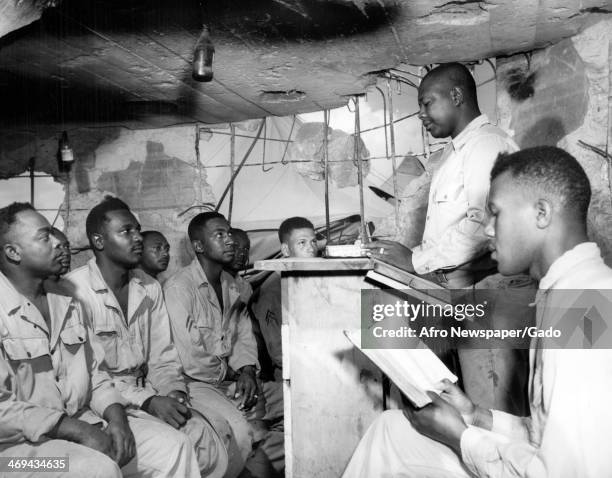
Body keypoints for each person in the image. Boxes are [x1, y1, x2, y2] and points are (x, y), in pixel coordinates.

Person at [342, 146, 612, 477]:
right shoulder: (569, 290)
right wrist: (474, 415)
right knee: (391, 429)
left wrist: (461, 438)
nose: (487, 229)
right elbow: (543, 438)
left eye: (496, 213)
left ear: (541, 214)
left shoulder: (586, 302)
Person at [366, 62, 529, 411]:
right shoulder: (458, 151)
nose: (422, 115)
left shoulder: (485, 145)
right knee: (481, 405)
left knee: (493, 410)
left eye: (428, 103)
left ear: (456, 95)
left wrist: (414, 259)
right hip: (471, 292)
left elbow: (482, 225)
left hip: (489, 293)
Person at [0, 203, 191, 478]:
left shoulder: (66, 299)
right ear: (13, 252)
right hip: (14, 455)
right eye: (45, 237)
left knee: (173, 446)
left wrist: (117, 419)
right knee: (95, 469)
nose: (58, 242)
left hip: (81, 424)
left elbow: (96, 374)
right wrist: (75, 430)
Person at [66, 196, 226, 478]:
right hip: (101, 405)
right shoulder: (74, 292)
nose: (138, 237)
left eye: (137, 229)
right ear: (99, 241)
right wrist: (148, 402)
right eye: (126, 231)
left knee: (206, 440)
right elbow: (91, 378)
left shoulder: (149, 287)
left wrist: (173, 392)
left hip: (147, 392)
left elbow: (162, 357)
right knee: (173, 448)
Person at [164, 212, 284, 478]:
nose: (229, 240)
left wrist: (248, 371)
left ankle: (254, 467)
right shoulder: (179, 289)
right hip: (196, 384)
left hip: (229, 380)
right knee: (239, 434)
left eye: (229, 233)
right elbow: (191, 359)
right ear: (198, 246)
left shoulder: (234, 285)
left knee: (295, 401)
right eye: (219, 235)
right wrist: (234, 375)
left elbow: (243, 335)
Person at [249, 217, 318, 379]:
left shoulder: (306, 280)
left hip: (314, 363)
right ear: (286, 250)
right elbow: (278, 353)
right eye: (302, 243)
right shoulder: (272, 291)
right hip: (290, 375)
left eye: (313, 242)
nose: (311, 249)